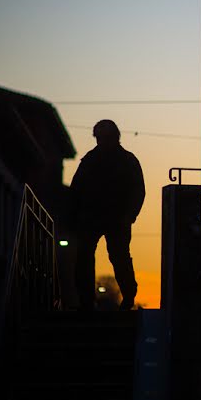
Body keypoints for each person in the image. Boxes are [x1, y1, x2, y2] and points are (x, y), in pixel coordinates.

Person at [70, 120, 145, 310]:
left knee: (119, 257)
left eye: (106, 138)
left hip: (117, 219)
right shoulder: (90, 160)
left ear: (115, 138)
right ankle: (87, 300)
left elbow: (138, 191)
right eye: (100, 138)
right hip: (90, 218)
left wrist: (129, 215)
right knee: (85, 256)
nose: (102, 141)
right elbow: (76, 191)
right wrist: (75, 215)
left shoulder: (127, 161)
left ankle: (128, 296)